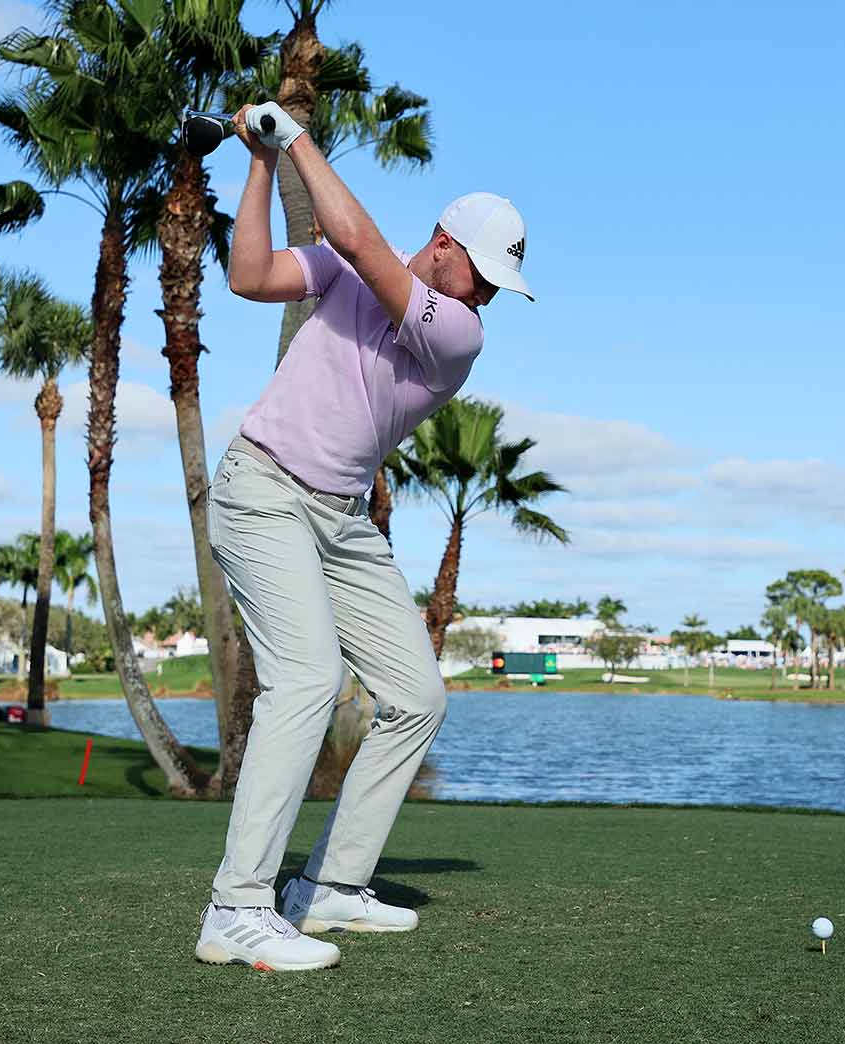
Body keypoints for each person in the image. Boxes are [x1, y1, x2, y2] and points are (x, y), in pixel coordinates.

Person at [192, 102, 534, 973]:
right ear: (446, 243)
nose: (490, 292)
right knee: (306, 680)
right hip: (263, 488)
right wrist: (263, 161)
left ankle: (331, 888)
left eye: (500, 283)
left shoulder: (458, 333)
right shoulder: (348, 279)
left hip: (342, 521)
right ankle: (237, 908)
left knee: (417, 696)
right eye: (483, 271)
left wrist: (294, 136)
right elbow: (249, 275)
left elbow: (364, 249)